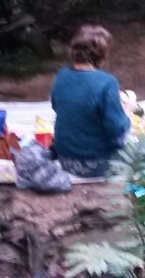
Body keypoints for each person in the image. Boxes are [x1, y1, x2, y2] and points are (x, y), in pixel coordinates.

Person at [49, 25, 131, 179]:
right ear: (102, 55)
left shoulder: (62, 75)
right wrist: (127, 112)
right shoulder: (107, 82)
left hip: (64, 160)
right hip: (96, 164)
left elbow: (56, 106)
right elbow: (116, 128)